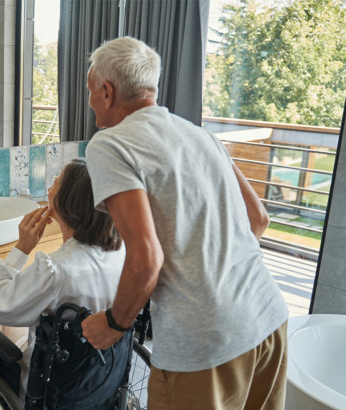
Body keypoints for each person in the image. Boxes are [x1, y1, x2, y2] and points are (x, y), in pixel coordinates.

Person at [80, 37, 289, 409]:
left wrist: (113, 323)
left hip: (206, 345)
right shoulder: (200, 135)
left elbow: (145, 261)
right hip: (268, 318)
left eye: (92, 90)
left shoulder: (109, 145)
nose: (91, 99)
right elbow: (257, 219)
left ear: (107, 92)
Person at [0, 159, 125, 401]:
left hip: (48, 386)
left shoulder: (54, 269)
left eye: (56, 182)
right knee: (16, 318)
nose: (49, 188)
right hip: (97, 381)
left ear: (67, 202)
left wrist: (21, 249)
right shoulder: (121, 252)